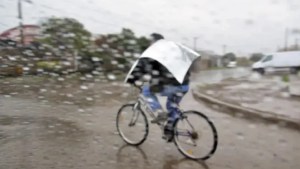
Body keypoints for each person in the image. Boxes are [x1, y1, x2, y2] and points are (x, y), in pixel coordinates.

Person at [128, 33, 191, 141]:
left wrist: (132, 79)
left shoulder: (154, 51)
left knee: (146, 92)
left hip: (172, 85)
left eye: (150, 41)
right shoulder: (173, 50)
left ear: (154, 42)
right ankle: (169, 131)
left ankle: (159, 112)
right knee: (172, 106)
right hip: (185, 85)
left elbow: (141, 67)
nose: (149, 43)